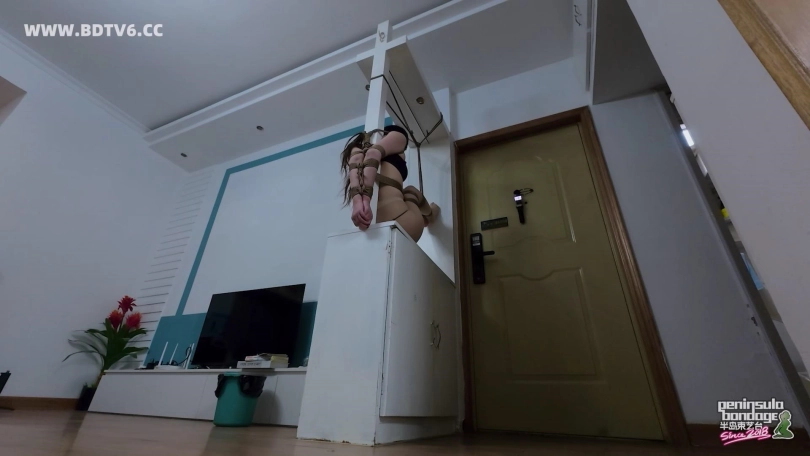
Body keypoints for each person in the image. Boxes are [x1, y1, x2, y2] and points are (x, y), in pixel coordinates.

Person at [340, 125, 438, 242]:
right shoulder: (397, 136)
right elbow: (373, 153)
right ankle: (430, 215)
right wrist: (366, 200)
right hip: (404, 223)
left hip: (373, 232)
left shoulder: (356, 148)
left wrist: (358, 202)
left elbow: (356, 163)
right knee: (410, 191)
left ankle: (426, 218)